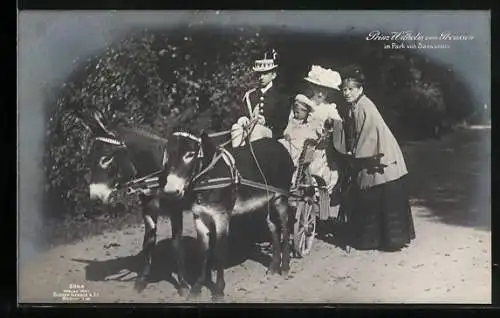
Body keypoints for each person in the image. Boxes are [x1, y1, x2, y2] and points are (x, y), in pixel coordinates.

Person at [339, 65, 416, 251]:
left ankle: (387, 239)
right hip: (374, 153)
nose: (347, 93)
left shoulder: (364, 106)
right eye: (344, 89)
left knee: (381, 193)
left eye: (351, 89)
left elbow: (368, 134)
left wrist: (354, 153)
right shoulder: (355, 107)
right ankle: (377, 238)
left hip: (380, 153)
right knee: (375, 194)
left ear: (360, 89)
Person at [301, 65, 344, 217]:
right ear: (312, 87)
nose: (320, 93)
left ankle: (318, 207)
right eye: (317, 88)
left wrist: (331, 127)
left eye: (325, 90)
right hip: (301, 145)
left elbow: (339, 126)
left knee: (321, 174)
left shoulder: (330, 108)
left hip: (320, 150)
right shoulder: (304, 103)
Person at [231, 49, 291, 148]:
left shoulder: (281, 97)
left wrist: (266, 121)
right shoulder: (250, 95)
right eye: (259, 74)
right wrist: (243, 118)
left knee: (257, 131)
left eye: (265, 73)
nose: (261, 77)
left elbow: (282, 123)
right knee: (235, 128)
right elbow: (242, 113)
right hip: (250, 130)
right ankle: (238, 158)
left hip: (271, 135)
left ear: (273, 75)